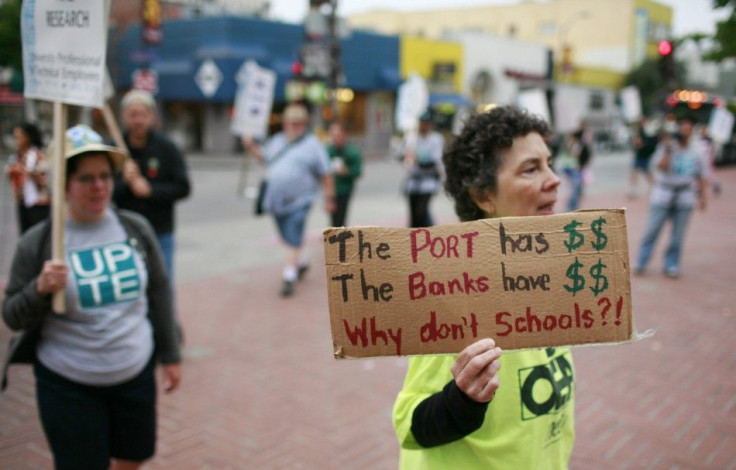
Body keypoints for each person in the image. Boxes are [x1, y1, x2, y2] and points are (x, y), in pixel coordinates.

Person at [393, 106, 574, 469]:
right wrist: (461, 400)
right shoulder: (459, 292)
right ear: (482, 196)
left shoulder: (549, 276)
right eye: (531, 169)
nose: (554, 179)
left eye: (550, 163)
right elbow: (409, 427)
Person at [1, 125, 181, 470]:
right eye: (85, 178)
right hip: (69, 385)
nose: (99, 186)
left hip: (134, 372)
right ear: (63, 184)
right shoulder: (39, 243)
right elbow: (12, 315)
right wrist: (39, 289)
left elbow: (159, 290)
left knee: (133, 457)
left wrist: (170, 354)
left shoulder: (135, 228)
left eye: (104, 176)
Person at [243, 104, 336, 297]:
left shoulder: (313, 145)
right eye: (289, 123)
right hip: (277, 202)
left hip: (300, 200)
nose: (293, 127)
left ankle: (289, 275)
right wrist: (250, 145)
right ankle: (299, 263)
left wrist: (329, 197)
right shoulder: (277, 141)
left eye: (297, 123)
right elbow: (264, 158)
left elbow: (326, 173)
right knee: (286, 236)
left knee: (294, 230)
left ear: (304, 125)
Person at [113, 89, 191, 281]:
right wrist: (124, 181)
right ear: (124, 116)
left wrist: (151, 190)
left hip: (160, 232)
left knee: (162, 284)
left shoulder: (167, 148)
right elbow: (104, 192)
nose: (138, 120)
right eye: (133, 114)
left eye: (143, 115)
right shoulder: (114, 149)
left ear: (152, 117)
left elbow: (183, 187)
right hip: (122, 232)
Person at [634, 115, 707, 278]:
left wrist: (703, 198)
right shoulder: (667, 146)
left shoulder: (698, 150)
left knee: (677, 235)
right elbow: (660, 167)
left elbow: (702, 175)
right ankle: (641, 261)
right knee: (651, 231)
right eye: (683, 128)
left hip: (685, 196)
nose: (685, 132)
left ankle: (671, 264)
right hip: (663, 194)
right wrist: (667, 150)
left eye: (689, 129)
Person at [400, 110, 444, 227]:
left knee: (422, 211)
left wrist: (417, 160)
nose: (423, 125)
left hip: (428, 181)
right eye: (422, 123)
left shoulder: (435, 139)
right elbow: (401, 155)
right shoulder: (412, 138)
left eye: (426, 123)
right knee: (413, 213)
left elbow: (434, 161)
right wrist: (406, 155)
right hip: (413, 182)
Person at [4, 122, 50, 233]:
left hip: (38, 203)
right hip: (23, 201)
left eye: (19, 136)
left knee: (38, 235)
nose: (17, 140)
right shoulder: (17, 155)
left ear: (28, 137)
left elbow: (45, 178)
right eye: (15, 137)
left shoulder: (37, 155)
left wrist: (30, 173)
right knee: (25, 234)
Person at [326, 121, 362, 227]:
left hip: (344, 190)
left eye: (338, 135)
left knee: (340, 218)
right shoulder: (328, 151)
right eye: (333, 135)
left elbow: (357, 172)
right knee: (333, 218)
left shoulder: (352, 152)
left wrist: (347, 172)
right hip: (330, 189)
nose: (335, 138)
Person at [559, 128, 591, 211]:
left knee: (574, 187)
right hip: (570, 167)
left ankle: (573, 205)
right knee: (572, 187)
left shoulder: (574, 144)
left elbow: (577, 154)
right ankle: (572, 205)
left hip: (572, 167)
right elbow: (574, 154)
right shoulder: (568, 144)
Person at [628, 116, 658, 198]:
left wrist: (640, 144)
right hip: (640, 154)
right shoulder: (640, 131)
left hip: (644, 154)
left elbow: (645, 142)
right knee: (635, 172)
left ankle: (654, 187)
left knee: (646, 172)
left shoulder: (647, 131)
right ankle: (633, 189)